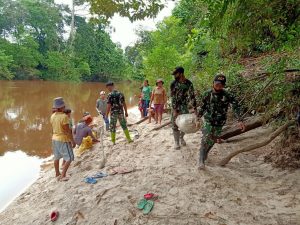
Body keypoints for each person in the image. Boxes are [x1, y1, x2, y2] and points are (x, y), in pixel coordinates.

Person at [197, 74, 246, 170]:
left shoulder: (227, 95)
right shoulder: (207, 94)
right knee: (206, 138)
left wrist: (240, 120)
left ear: (223, 85)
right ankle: (201, 160)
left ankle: (205, 153)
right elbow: (202, 107)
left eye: (221, 84)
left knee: (213, 140)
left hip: (220, 122)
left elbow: (236, 106)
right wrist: (197, 118)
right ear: (213, 83)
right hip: (208, 121)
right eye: (217, 83)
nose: (219, 85)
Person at [170, 66, 197, 150]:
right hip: (175, 107)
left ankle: (182, 138)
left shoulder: (189, 83)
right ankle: (176, 142)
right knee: (175, 125)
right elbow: (173, 97)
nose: (174, 75)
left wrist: (195, 108)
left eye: (176, 73)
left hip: (184, 107)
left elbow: (192, 96)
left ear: (181, 73)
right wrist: (174, 109)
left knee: (184, 124)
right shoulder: (173, 84)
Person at [50, 97, 75, 181]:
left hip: (54, 138)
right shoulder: (64, 117)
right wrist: (72, 141)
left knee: (56, 157)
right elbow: (67, 130)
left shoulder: (52, 116)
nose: (64, 107)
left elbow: (53, 128)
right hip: (63, 139)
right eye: (63, 106)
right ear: (61, 107)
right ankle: (63, 175)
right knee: (70, 157)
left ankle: (57, 173)